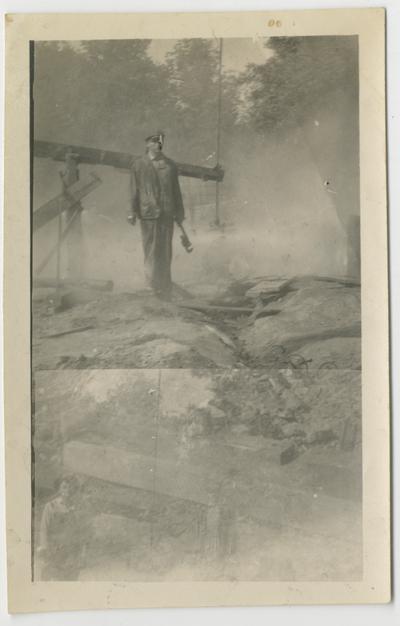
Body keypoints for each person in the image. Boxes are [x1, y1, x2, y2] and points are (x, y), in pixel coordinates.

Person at [128, 131, 185, 300]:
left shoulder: (170, 165)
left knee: (165, 250)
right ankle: (151, 286)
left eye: (160, 142)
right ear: (147, 144)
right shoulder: (138, 165)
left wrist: (180, 212)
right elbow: (133, 190)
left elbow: (176, 191)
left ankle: (165, 286)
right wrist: (131, 211)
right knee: (151, 250)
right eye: (154, 142)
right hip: (148, 213)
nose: (158, 145)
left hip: (167, 213)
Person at [37, 475, 88, 580]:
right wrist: (45, 549)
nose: (68, 490)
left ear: (75, 489)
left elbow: (82, 532)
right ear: (59, 489)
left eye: (71, 487)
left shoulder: (79, 508)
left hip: (72, 554)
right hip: (54, 552)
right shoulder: (50, 506)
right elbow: (44, 530)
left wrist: (82, 553)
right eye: (64, 487)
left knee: (70, 583)